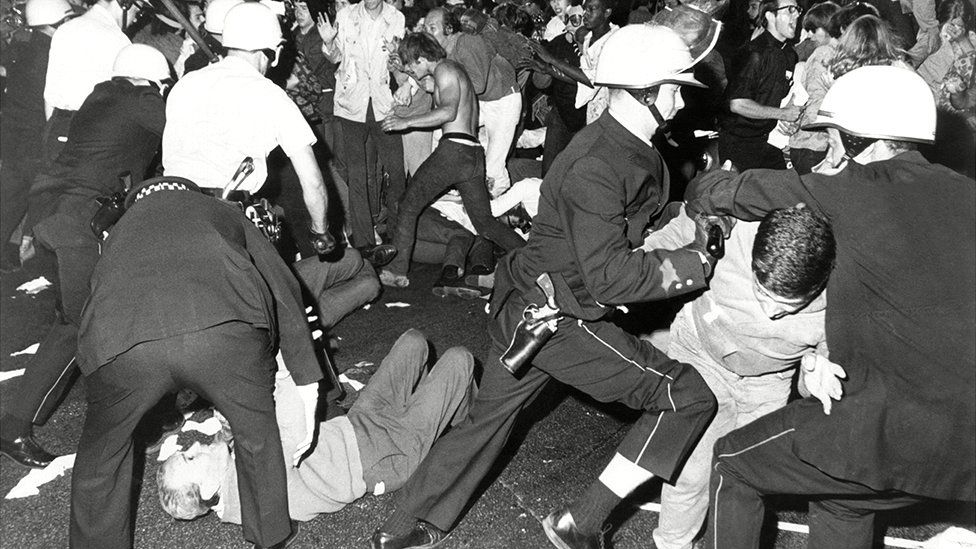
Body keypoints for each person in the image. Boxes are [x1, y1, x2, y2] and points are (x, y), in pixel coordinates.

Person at [371, 25, 721, 549]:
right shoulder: (601, 163)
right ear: (645, 92)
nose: (679, 97)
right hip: (561, 317)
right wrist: (697, 262)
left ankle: (398, 530)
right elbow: (614, 276)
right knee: (687, 395)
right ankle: (579, 523)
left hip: (532, 307)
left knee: (485, 422)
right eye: (673, 87)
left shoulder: (624, 146)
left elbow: (630, 227)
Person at [686, 65, 975, 549]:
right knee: (841, 495)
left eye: (836, 138)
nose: (831, 150)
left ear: (860, 141)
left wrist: (703, 186)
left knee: (732, 463)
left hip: (887, 433)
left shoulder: (845, 192)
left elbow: (726, 191)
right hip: (965, 445)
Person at [70, 176, 323, 549]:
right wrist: (306, 379)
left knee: (102, 456)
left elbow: (92, 300)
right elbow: (283, 288)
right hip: (222, 332)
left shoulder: (119, 229)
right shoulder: (220, 210)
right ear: (190, 190)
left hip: (125, 345)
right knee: (256, 430)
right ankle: (270, 534)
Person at [0, 44, 170, 470]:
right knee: (85, 326)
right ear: (151, 80)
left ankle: (151, 409)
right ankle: (16, 426)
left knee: (82, 319)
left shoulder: (101, 95)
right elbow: (185, 124)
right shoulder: (141, 100)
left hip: (54, 215)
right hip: (80, 222)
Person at [639, 205, 837, 549]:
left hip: (768, 382)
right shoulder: (732, 230)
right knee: (691, 469)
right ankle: (672, 543)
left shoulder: (842, 299)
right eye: (763, 294)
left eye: (790, 306)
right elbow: (668, 239)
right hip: (702, 353)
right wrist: (631, 266)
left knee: (746, 484)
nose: (772, 313)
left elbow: (809, 385)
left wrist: (811, 374)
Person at [157, 329, 476, 523]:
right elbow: (293, 395)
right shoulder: (257, 481)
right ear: (209, 488)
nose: (194, 445)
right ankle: (473, 426)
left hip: (354, 426)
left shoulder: (229, 484)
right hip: (383, 457)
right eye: (190, 458)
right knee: (459, 359)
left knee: (414, 343)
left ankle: (442, 411)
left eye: (185, 450)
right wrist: (284, 343)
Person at [163, 2, 334, 255]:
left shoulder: (186, 83)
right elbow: (313, 183)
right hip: (226, 217)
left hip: (171, 209)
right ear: (275, 50)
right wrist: (321, 231)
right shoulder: (271, 96)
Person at [378, 32, 527, 290]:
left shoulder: (445, 70)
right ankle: (535, 256)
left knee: (408, 205)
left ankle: (397, 271)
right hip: (472, 155)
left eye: (413, 64)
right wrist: (402, 68)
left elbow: (447, 111)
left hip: (453, 151)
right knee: (485, 223)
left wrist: (405, 122)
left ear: (423, 58)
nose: (412, 70)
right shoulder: (451, 72)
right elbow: (427, 86)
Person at [315, 0, 407, 262]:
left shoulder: (396, 18)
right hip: (351, 105)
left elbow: (398, 63)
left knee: (396, 173)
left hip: (382, 104)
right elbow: (335, 59)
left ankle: (398, 235)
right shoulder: (345, 16)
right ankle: (366, 243)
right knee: (358, 175)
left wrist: (397, 58)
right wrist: (330, 42)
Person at [0, 0, 75, 272]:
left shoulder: (24, 48)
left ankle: (11, 247)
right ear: (57, 24)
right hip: (34, 136)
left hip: (12, 132)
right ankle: (19, 249)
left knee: (11, 193)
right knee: (27, 195)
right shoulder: (52, 55)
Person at [42, 0, 139, 165]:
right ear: (124, 4)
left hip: (57, 128)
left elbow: (50, 97)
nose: (136, 19)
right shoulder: (119, 41)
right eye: (137, 11)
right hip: (94, 135)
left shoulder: (66, 29)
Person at [719, 0, 802, 170]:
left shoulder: (789, 55)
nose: (797, 15)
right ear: (770, 15)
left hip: (766, 142)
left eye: (798, 10)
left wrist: (788, 120)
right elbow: (738, 104)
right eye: (790, 10)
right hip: (738, 144)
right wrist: (782, 114)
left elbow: (776, 98)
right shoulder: (754, 53)